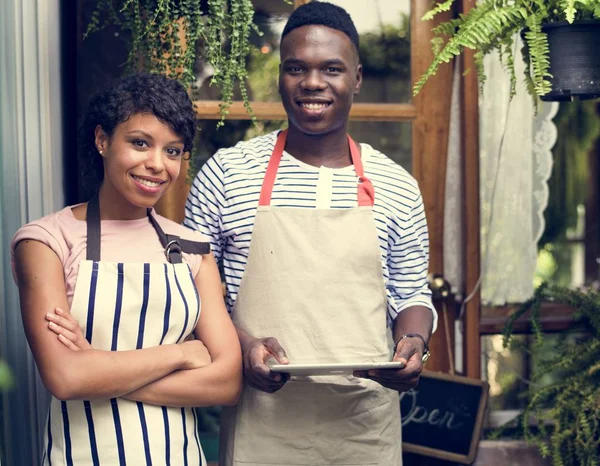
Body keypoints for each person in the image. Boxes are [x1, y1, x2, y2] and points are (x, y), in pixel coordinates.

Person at [185, 2, 437, 465]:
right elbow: (191, 295)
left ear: (356, 78)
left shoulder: (397, 186)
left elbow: (412, 293)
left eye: (332, 69)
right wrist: (243, 348)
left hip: (363, 425)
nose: (313, 83)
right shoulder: (227, 174)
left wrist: (413, 344)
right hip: (261, 422)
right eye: (296, 68)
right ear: (280, 76)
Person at [12, 72, 242, 465]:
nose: (157, 165)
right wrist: (182, 353)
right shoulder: (46, 241)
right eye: (140, 143)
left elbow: (226, 383)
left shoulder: (191, 247)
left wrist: (97, 366)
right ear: (103, 140)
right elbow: (66, 378)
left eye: (173, 151)